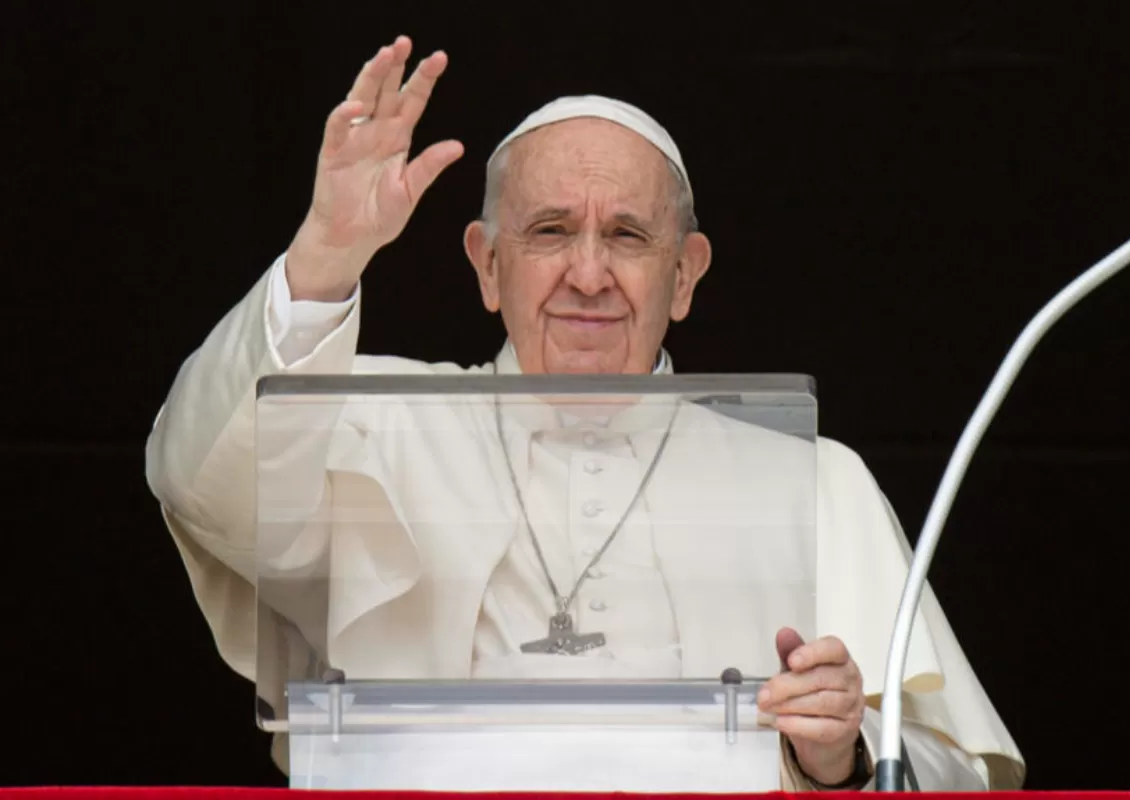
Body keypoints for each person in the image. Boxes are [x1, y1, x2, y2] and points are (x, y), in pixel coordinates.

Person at [145, 35, 1024, 792]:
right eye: (551, 232)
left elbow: (956, 774)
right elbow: (201, 484)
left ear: (685, 276)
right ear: (487, 266)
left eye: (631, 237)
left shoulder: (813, 480)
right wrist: (328, 253)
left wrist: (840, 756)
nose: (591, 275)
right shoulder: (368, 423)